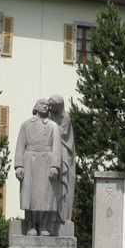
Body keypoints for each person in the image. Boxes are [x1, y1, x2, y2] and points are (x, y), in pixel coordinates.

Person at [14, 97, 63, 235]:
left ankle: (43, 225)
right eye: (42, 104)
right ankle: (30, 224)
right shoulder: (26, 125)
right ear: (35, 107)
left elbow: (57, 147)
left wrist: (55, 166)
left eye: (47, 105)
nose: (45, 106)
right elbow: (20, 146)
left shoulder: (53, 126)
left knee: (46, 195)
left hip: (46, 161)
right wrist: (19, 166)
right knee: (29, 194)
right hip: (29, 161)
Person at [47, 94, 75, 227]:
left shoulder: (65, 117)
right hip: (51, 151)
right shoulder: (50, 115)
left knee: (62, 183)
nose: (50, 108)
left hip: (64, 151)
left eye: (52, 106)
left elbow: (61, 133)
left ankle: (61, 215)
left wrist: (49, 119)